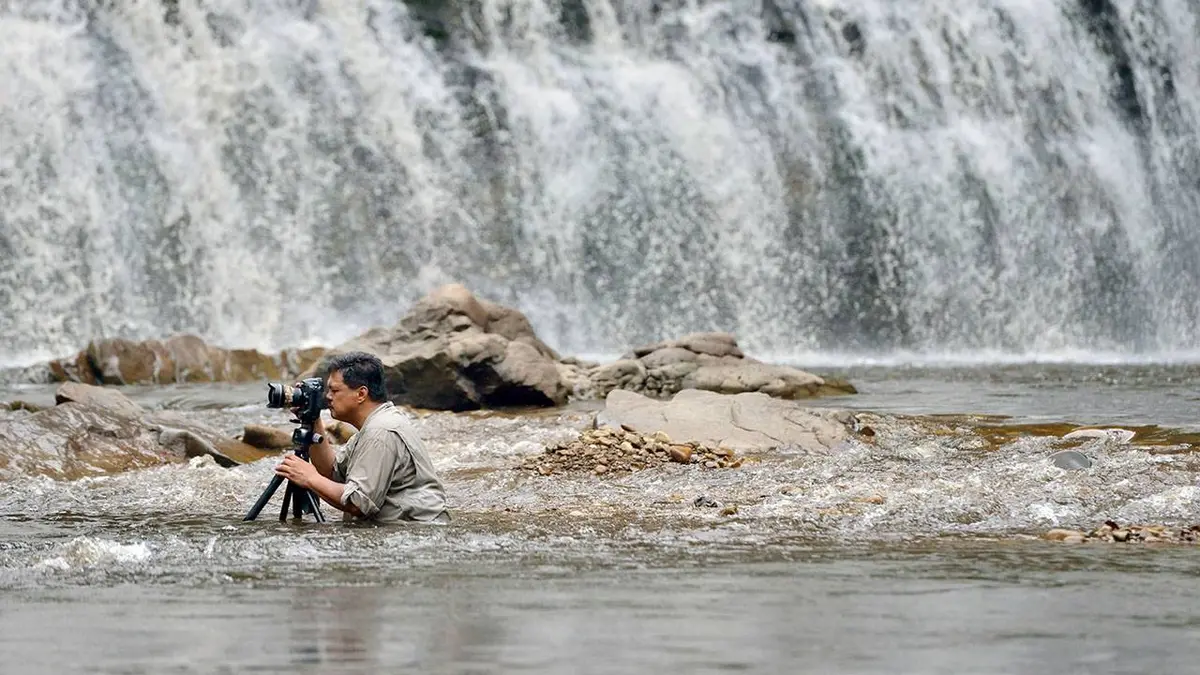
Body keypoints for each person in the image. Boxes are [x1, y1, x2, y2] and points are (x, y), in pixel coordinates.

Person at [273, 351, 450, 523]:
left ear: (361, 394)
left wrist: (310, 478)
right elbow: (332, 473)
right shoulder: (374, 425)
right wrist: (312, 419)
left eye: (334, 390)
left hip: (415, 536)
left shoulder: (380, 432)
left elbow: (358, 502)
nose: (327, 397)